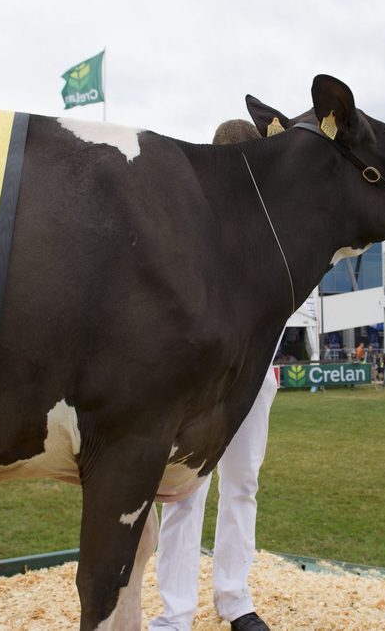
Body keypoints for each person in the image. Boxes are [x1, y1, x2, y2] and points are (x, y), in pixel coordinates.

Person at [151, 118, 273, 631]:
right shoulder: (193, 219)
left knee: (241, 483)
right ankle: (177, 614)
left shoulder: (272, 223)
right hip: (205, 371)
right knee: (187, 488)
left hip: (255, 367)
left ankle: (232, 598)